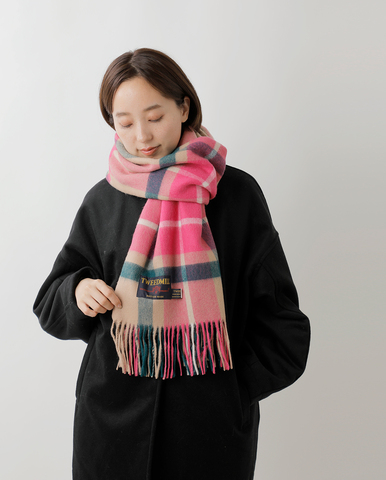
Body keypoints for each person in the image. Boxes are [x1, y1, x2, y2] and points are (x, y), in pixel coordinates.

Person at [33, 48, 310, 480]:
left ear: (184, 107)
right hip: (109, 433)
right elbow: (49, 304)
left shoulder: (236, 196)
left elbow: (283, 326)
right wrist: (77, 290)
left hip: (209, 438)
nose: (142, 135)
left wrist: (228, 392)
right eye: (125, 123)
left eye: (155, 116)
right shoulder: (103, 200)